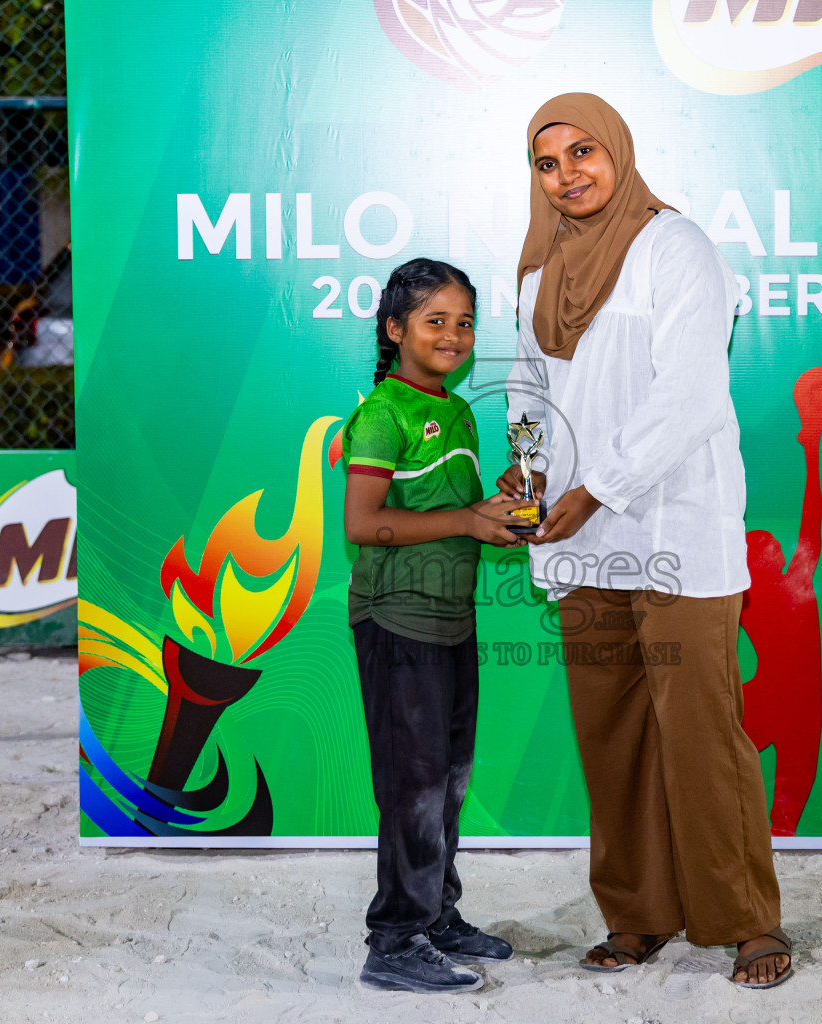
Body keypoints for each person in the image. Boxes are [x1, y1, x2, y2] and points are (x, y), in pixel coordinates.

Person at [500, 93, 791, 989]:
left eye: (583, 152)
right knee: (612, 735)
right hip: (580, 540)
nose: (567, 175)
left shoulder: (676, 247)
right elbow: (528, 387)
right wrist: (529, 472)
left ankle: (747, 922)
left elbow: (691, 392)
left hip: (674, 528)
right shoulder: (538, 272)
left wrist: (596, 489)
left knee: (702, 733)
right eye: (548, 163)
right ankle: (639, 913)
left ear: (619, 152)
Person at [343, 258, 534, 992]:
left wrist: (502, 504)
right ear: (395, 330)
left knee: (448, 781)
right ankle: (394, 941)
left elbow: (456, 512)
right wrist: (467, 519)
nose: (453, 335)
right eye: (435, 321)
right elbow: (363, 523)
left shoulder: (456, 411)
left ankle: (437, 916)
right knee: (413, 787)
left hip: (451, 620)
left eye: (465, 323)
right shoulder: (382, 413)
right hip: (397, 622)